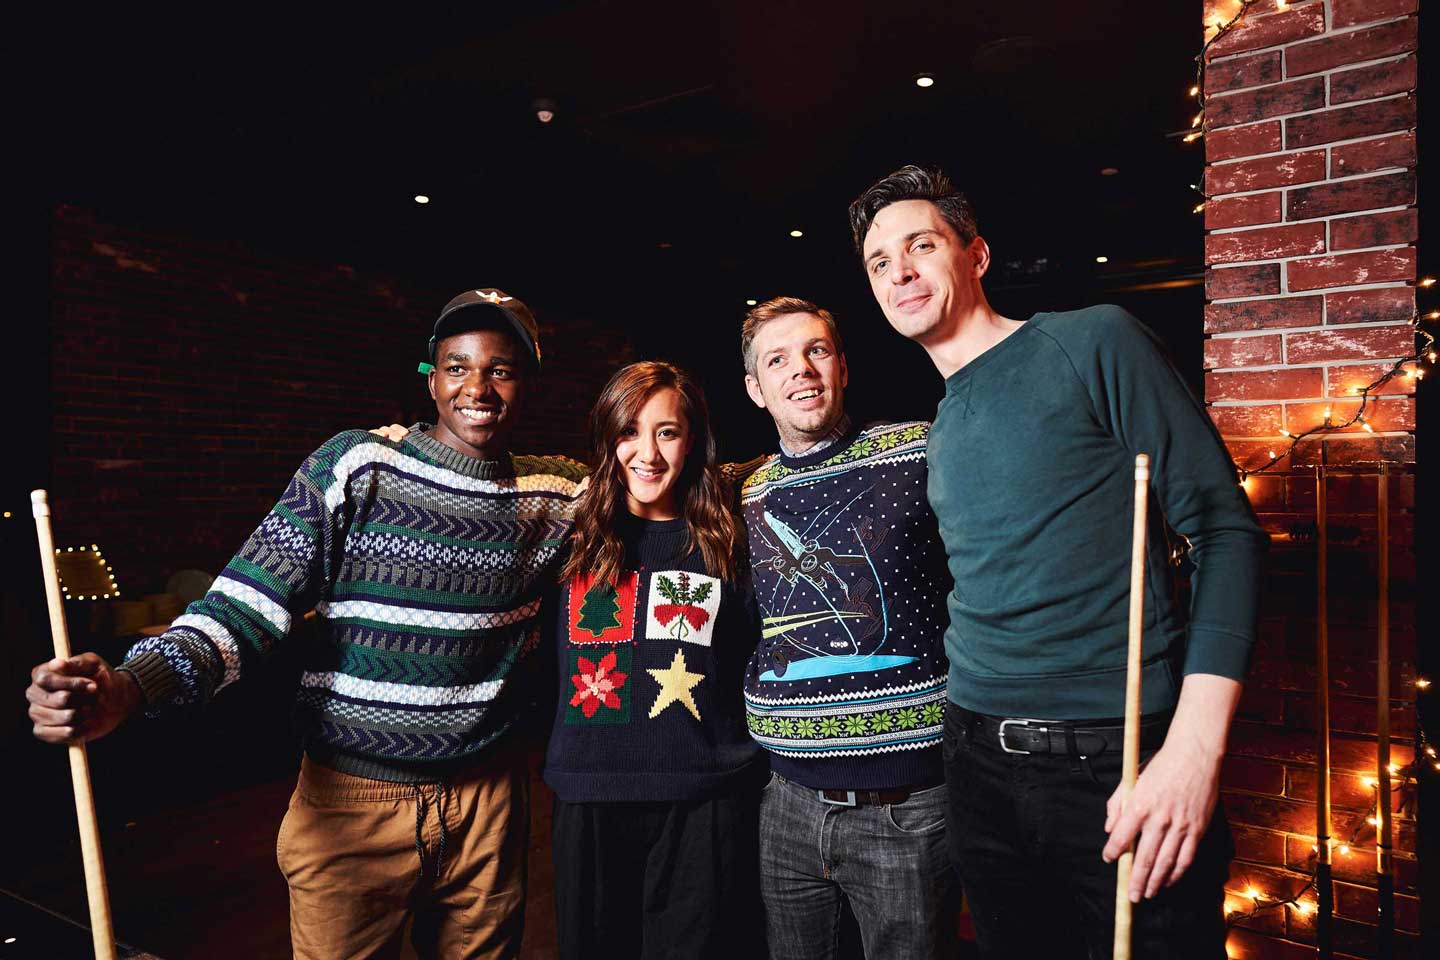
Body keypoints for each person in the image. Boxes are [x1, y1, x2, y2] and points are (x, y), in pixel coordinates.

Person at [25, 288, 587, 960]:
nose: (478, 388)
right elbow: (243, 609)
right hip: (353, 803)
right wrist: (126, 688)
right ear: (430, 378)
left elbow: (663, 489)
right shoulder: (357, 465)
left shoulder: (558, 496)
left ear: (527, 383)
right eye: (457, 367)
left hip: (488, 805)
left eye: (501, 370)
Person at [849, 165, 1268, 958]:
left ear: (976, 255)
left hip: (1113, 758)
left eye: (921, 245)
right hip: (975, 760)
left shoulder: (1092, 341)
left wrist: (1192, 753)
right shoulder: (943, 424)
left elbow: (1225, 533)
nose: (898, 271)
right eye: (878, 261)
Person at [737, 297, 955, 959]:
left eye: (817, 351)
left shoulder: (917, 450)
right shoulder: (748, 494)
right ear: (756, 389)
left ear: (843, 367)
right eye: (777, 360)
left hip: (906, 806)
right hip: (786, 802)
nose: (801, 370)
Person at [540, 360, 767, 959]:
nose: (648, 453)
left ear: (692, 441)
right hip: (589, 795)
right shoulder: (569, 538)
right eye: (629, 431)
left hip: (703, 796)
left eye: (667, 432)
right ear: (607, 438)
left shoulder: (727, 542)